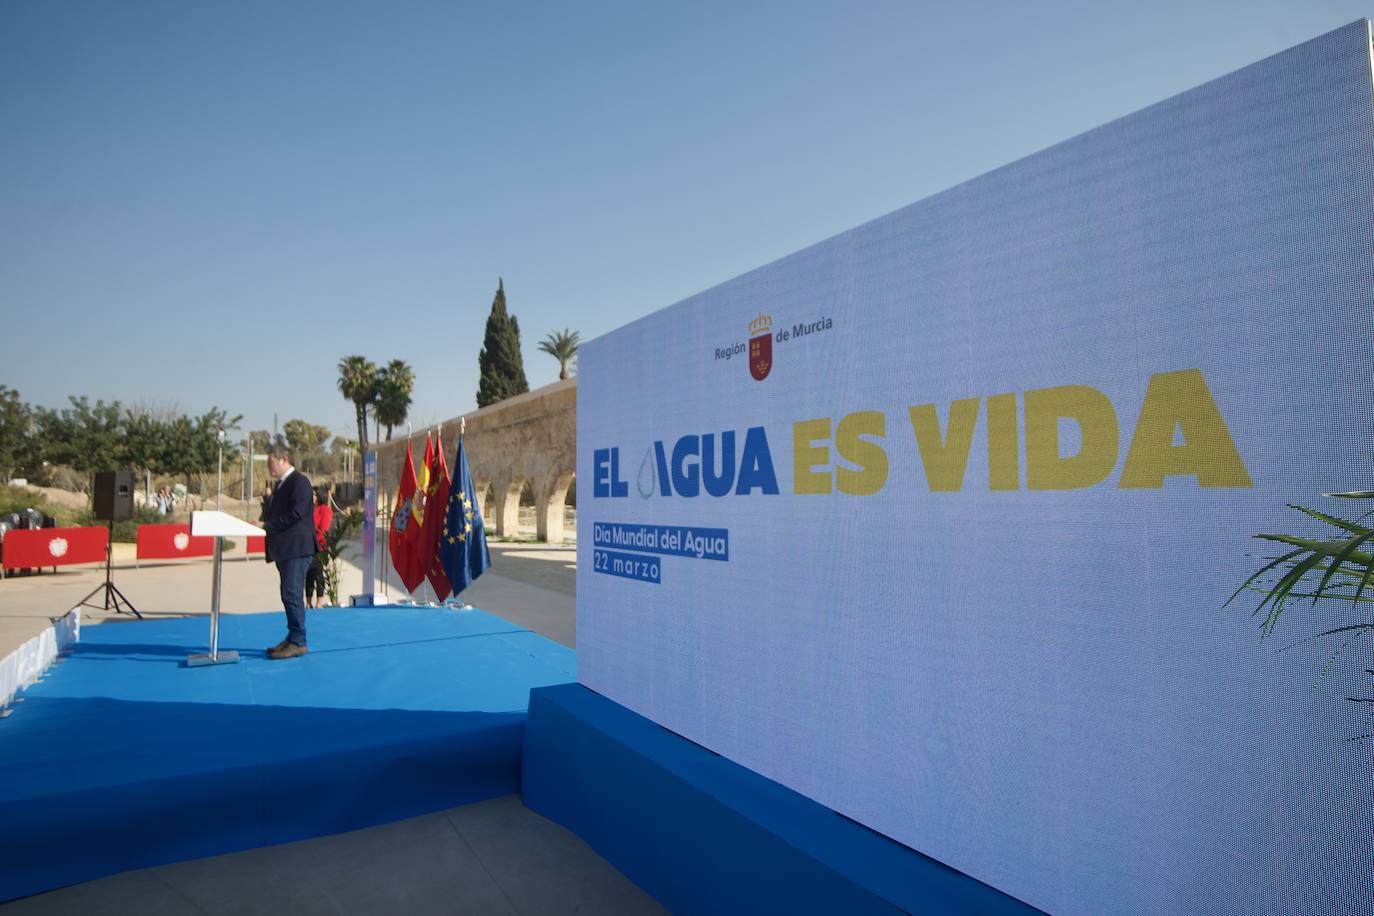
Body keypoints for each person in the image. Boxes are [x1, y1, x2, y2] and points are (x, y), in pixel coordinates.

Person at [262, 446, 314, 659]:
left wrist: (268, 525)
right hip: (286, 549)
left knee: (292, 593)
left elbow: (297, 513)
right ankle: (293, 637)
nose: (268, 467)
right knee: (288, 594)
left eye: (270, 462)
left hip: (296, 548)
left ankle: (299, 641)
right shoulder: (282, 484)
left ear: (284, 459)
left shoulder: (299, 482)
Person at [304, 488, 333, 609]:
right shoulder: (307, 509)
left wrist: (311, 529)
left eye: (315, 494)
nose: (312, 497)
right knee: (308, 575)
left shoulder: (324, 509)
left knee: (319, 573)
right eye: (311, 494)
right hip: (307, 545)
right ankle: (308, 601)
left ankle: (319, 601)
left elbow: (323, 528)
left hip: (320, 545)